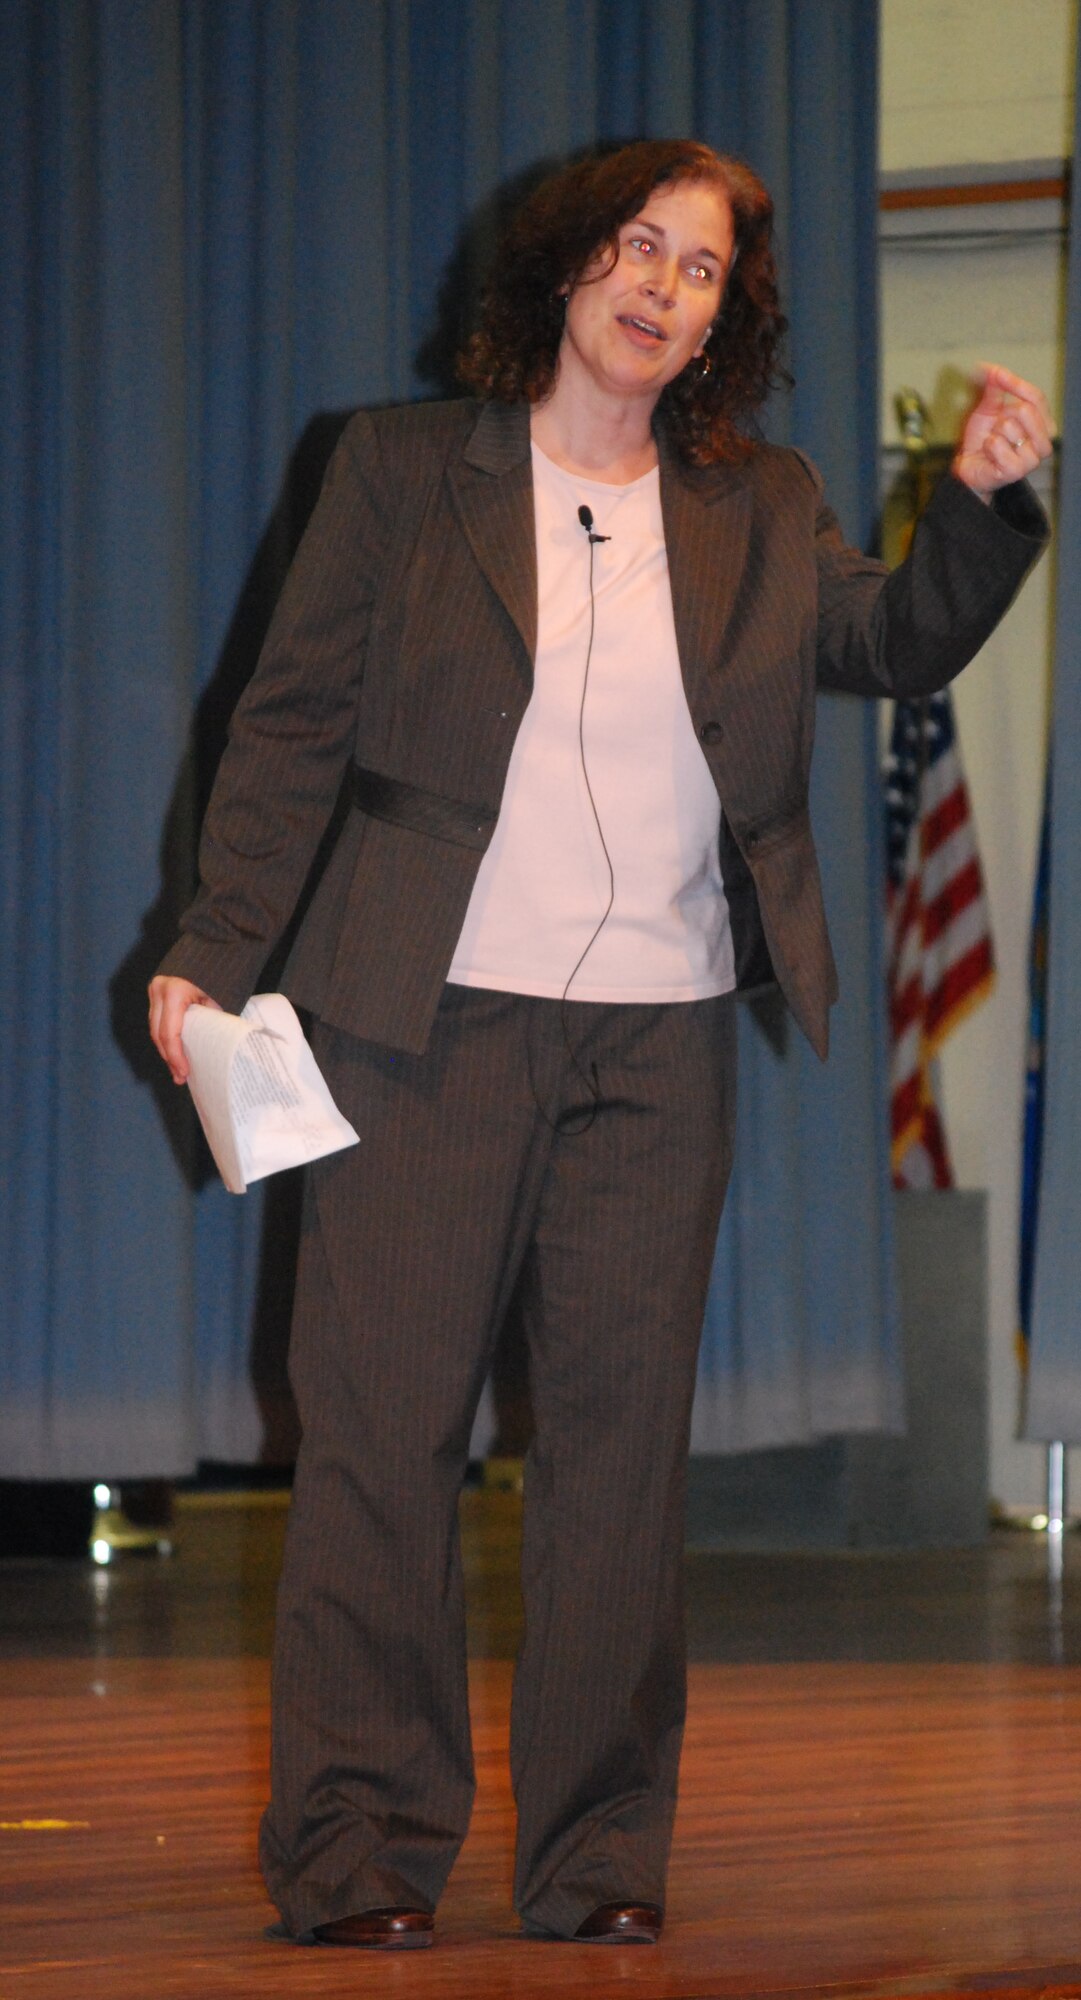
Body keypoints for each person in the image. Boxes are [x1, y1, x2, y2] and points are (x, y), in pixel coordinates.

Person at [149, 139, 1051, 1950]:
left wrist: (978, 509)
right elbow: (288, 728)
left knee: (619, 1466)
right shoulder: (399, 469)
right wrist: (207, 960)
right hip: (418, 1025)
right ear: (563, 269)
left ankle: (595, 1858)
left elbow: (888, 639)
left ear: (726, 316)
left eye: (701, 269)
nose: (661, 287)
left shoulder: (756, 496)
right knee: (381, 1443)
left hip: (658, 1047)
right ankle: (353, 1850)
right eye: (636, 249)